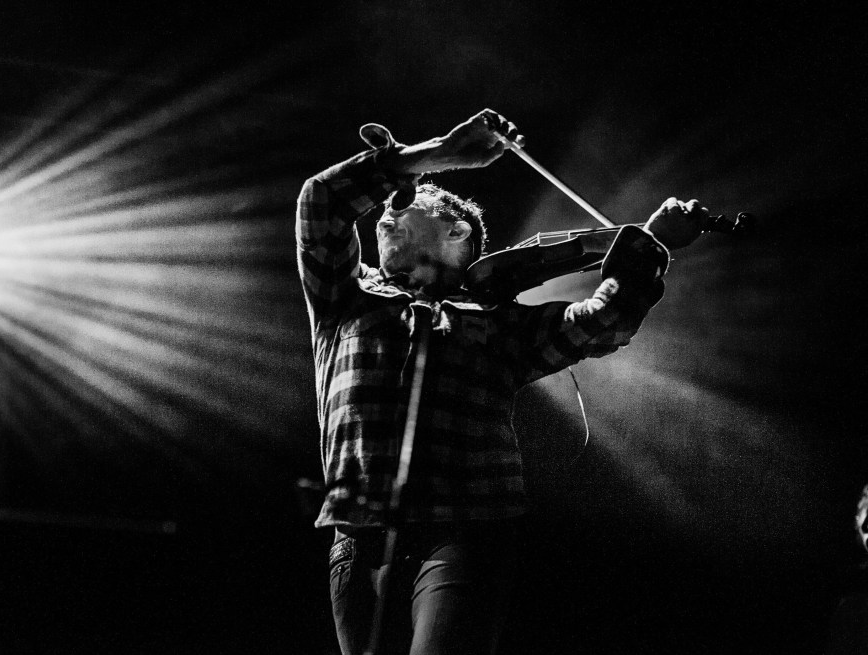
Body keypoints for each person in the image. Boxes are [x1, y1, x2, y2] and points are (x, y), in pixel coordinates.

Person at [296, 108, 707, 655]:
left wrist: (648, 245)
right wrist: (436, 153)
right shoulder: (346, 296)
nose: (383, 218)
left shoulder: (499, 321)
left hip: (464, 529)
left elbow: (600, 323)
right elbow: (321, 200)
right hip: (357, 532)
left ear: (457, 230)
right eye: (386, 208)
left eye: (406, 206)